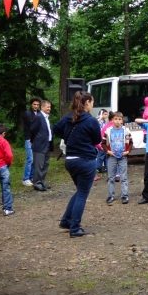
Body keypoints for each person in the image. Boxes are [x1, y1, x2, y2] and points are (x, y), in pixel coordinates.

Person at [52, 91, 102, 237]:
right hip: (86, 161)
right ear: (87, 103)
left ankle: (66, 220)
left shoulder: (68, 118)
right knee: (82, 194)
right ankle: (75, 228)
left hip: (70, 160)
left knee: (80, 191)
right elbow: (97, 140)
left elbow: (55, 129)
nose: (93, 105)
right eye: (92, 102)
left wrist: (68, 138)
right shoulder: (91, 120)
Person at [103, 112, 132, 205]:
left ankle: (125, 195)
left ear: (122, 120)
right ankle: (111, 195)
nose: (117, 121)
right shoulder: (108, 131)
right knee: (111, 177)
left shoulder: (126, 130)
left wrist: (128, 151)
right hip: (112, 157)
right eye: (115, 119)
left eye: (119, 119)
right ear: (112, 120)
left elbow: (131, 142)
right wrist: (108, 151)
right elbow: (103, 143)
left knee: (123, 177)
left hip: (123, 156)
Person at [29, 100, 53, 191]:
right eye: (48, 107)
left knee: (45, 164)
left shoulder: (46, 117)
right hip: (39, 144)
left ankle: (42, 181)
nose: (49, 109)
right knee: (39, 165)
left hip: (47, 144)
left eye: (50, 107)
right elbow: (32, 130)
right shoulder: (38, 117)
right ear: (42, 107)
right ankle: (37, 183)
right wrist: (34, 140)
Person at [21, 98, 40, 186]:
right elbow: (33, 124)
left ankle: (32, 177)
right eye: (34, 104)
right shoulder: (27, 113)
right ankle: (25, 178)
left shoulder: (40, 113)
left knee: (35, 159)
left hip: (37, 138)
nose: (36, 106)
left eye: (37, 104)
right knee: (30, 159)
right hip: (29, 138)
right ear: (31, 105)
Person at [95, 109, 109, 174]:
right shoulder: (98, 120)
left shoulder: (105, 122)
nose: (106, 115)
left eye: (107, 114)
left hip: (104, 139)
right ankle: (98, 167)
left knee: (105, 154)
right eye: (105, 114)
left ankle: (106, 167)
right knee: (101, 154)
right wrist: (100, 117)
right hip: (99, 139)